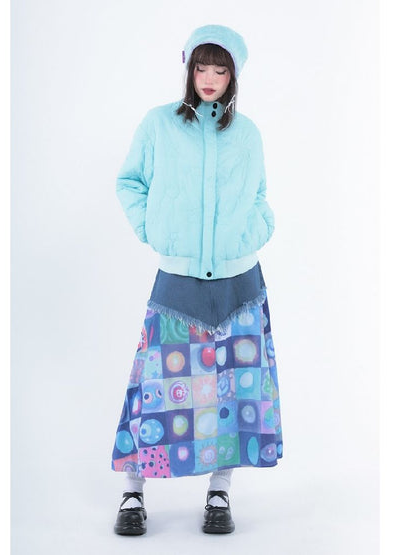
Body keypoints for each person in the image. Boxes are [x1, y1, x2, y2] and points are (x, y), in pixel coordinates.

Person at [111, 24, 283, 536]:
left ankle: (219, 491)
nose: (209, 78)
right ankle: (133, 492)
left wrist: (254, 231)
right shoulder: (159, 124)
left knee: (231, 391)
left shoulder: (247, 133)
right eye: (201, 67)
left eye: (220, 69)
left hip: (238, 282)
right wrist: (152, 229)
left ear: (233, 77)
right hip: (179, 280)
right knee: (154, 388)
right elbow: (129, 181)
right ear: (188, 69)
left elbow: (260, 196)